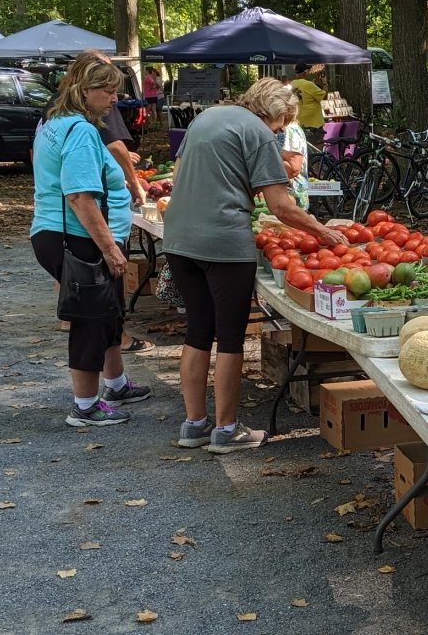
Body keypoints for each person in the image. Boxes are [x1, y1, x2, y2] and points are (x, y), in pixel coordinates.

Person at [163, 78, 348, 454]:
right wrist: (324, 233)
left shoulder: (206, 118)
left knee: (198, 330)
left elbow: (180, 175)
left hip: (179, 239)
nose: (280, 132)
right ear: (276, 114)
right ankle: (226, 430)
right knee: (230, 338)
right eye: (282, 124)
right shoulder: (260, 133)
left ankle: (193, 424)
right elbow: (280, 205)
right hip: (223, 243)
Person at [30, 53, 151, 427]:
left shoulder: (58, 121)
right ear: (85, 90)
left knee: (108, 312)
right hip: (76, 237)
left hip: (65, 233)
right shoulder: (80, 131)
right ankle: (85, 406)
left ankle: (114, 384)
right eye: (108, 91)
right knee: (90, 320)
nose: (115, 99)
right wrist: (110, 248)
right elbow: (80, 196)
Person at [276, 118, 310, 211]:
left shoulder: (290, 130)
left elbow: (293, 168)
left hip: (292, 194)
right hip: (288, 193)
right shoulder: (286, 129)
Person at [291, 63, 326, 145]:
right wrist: (324, 83)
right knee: (317, 151)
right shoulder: (309, 84)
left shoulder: (292, 84)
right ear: (305, 72)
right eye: (308, 71)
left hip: (299, 124)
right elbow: (324, 96)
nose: (309, 73)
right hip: (313, 125)